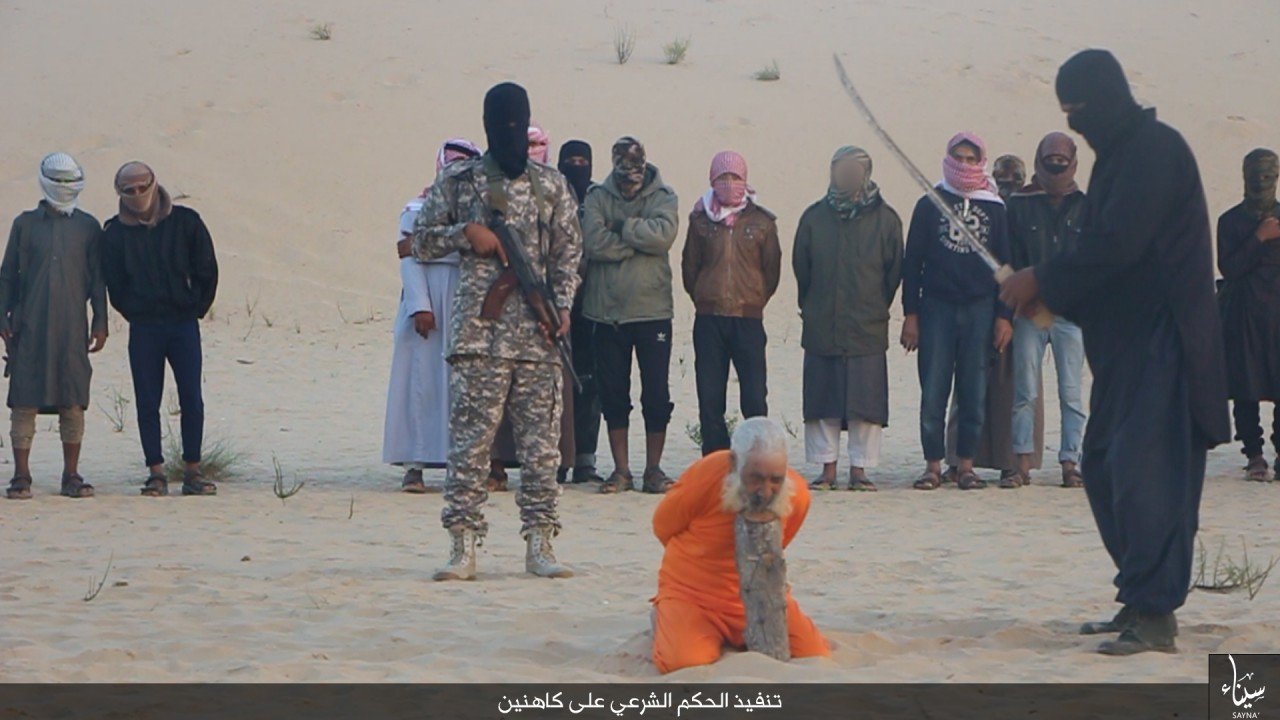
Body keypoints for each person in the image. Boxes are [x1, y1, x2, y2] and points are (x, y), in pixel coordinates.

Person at [1000, 49, 1230, 655]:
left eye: (1078, 109)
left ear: (1105, 98)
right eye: (1065, 113)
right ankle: (1138, 595)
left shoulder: (1154, 150)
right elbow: (1107, 263)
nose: (1074, 124)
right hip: (1126, 347)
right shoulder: (1118, 161)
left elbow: (1119, 244)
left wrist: (1041, 279)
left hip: (1168, 341)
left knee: (1149, 474)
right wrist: (1050, 297)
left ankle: (1156, 615)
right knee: (1103, 465)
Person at [404, 82, 582, 581]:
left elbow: (568, 253)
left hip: (539, 338)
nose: (509, 132)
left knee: (541, 450)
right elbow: (420, 242)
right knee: (469, 447)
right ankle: (462, 545)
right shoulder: (460, 181)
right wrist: (466, 234)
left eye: (516, 124)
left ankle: (540, 543)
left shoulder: (551, 185)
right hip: (479, 338)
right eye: (501, 124)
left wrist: (562, 306)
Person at [650, 417, 830, 673]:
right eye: (756, 478)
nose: (765, 492)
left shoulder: (796, 494)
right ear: (734, 463)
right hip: (692, 593)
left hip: (761, 593)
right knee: (683, 662)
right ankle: (664, 613)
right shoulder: (707, 475)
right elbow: (663, 526)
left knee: (814, 652)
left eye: (775, 479)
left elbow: (778, 545)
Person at [901, 133, 1014, 491]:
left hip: (980, 308)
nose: (964, 165)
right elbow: (912, 262)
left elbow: (1005, 266)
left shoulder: (994, 208)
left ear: (980, 162)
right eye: (958, 157)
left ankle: (966, 465)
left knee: (972, 390)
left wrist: (1004, 316)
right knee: (933, 389)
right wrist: (911, 314)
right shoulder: (929, 203)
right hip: (936, 307)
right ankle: (933, 466)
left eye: (970, 159)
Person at [101, 162, 219, 497]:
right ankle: (156, 472)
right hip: (144, 328)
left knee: (191, 398)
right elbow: (115, 284)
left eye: (143, 187)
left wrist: (194, 307)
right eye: (129, 190)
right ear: (119, 192)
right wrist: (137, 311)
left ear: (154, 184)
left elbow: (207, 270)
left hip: (183, 325)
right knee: (147, 400)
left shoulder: (186, 222)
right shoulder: (115, 233)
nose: (137, 194)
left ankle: (193, 471)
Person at [0, 153, 108, 500]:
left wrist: (100, 321)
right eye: (57, 180)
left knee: (73, 398)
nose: (63, 187)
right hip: (29, 325)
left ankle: (71, 475)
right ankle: (21, 476)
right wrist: (2, 316)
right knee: (24, 400)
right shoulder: (24, 224)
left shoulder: (88, 227)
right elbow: (7, 275)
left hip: (72, 328)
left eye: (68, 181)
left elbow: (97, 280)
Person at [794, 147, 902, 491]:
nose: (847, 176)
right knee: (823, 400)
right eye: (841, 169)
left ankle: (860, 471)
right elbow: (802, 270)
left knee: (864, 402)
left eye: (854, 169)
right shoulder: (814, 218)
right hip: (822, 322)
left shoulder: (886, 219)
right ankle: (827, 471)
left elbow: (893, 273)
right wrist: (814, 306)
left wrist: (874, 305)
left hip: (866, 323)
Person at [382, 138, 482, 493]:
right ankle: (414, 467)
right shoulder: (417, 208)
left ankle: (460, 466)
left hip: (463, 299)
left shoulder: (479, 212)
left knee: (461, 388)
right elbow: (408, 258)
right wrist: (420, 306)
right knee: (420, 385)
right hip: (425, 301)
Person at [581, 137, 679, 494]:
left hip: (652, 310)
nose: (628, 178)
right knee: (613, 394)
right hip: (606, 312)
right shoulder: (597, 196)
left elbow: (663, 236)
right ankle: (621, 470)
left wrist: (621, 226)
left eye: (634, 169)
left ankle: (653, 469)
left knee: (656, 394)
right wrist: (638, 239)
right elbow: (593, 242)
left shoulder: (664, 196)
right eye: (623, 169)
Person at [941, 153, 1044, 489]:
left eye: (1015, 180)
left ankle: (1012, 462)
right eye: (1002, 180)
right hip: (982, 306)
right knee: (968, 384)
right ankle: (957, 460)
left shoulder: (1029, 211)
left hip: (1022, 310)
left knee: (1015, 388)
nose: (1008, 186)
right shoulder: (986, 209)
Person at [681, 151, 781, 456]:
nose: (729, 183)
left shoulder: (762, 222)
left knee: (754, 396)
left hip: (748, 320)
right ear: (712, 180)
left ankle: (755, 457)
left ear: (745, 180)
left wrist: (754, 299)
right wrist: (705, 295)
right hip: (709, 320)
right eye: (722, 177)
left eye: (735, 177)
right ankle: (715, 458)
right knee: (710, 397)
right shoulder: (700, 220)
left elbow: (772, 271)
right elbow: (690, 268)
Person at [1007, 133, 1088, 488]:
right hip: (1030, 313)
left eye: (1062, 160)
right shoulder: (1020, 205)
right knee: (1025, 391)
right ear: (1039, 160)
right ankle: (1021, 463)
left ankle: (1071, 462)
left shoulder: (1087, 206)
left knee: (1071, 393)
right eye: (1049, 159)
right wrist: (1021, 299)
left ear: (1073, 162)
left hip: (1071, 315)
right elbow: (1007, 260)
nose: (1056, 166)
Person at [1218, 148, 1280, 482]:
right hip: (1243, 316)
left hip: (1277, 316)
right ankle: (1254, 455)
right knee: (1245, 388)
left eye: (1268, 176)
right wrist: (1260, 238)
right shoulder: (1230, 221)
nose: (1261, 182)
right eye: (1256, 175)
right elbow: (1230, 268)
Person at [558, 139, 605, 484]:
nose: (577, 166)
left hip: (593, 304)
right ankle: (559, 459)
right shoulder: (550, 194)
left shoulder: (599, 199)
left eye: (582, 160)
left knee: (590, 382)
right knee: (556, 384)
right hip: (555, 303)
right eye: (570, 160)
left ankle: (586, 460)